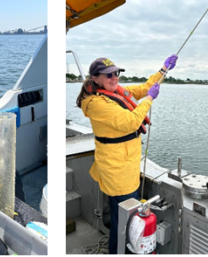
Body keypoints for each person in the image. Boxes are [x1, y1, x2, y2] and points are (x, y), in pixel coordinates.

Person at [76, 55, 178, 255]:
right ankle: (118, 251)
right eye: (108, 75)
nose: (115, 78)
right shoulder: (97, 103)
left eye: (116, 73)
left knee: (121, 218)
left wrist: (164, 70)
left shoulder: (113, 92)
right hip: (117, 173)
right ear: (95, 79)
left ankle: (117, 250)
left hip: (125, 167)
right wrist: (149, 99)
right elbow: (131, 121)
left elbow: (145, 87)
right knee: (126, 222)